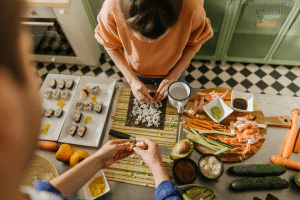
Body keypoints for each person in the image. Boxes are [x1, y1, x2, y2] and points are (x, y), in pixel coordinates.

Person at [0, 0, 182, 199]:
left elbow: (46, 192)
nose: (39, 83)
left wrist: (97, 160)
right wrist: (157, 165)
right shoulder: (111, 10)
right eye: (29, 62)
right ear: (6, 113)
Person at [95, 0, 213, 103]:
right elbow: (110, 46)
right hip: (136, 71)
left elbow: (196, 43)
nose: (151, 44)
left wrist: (174, 75)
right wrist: (131, 80)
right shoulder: (111, 6)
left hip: (175, 69)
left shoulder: (192, 6)